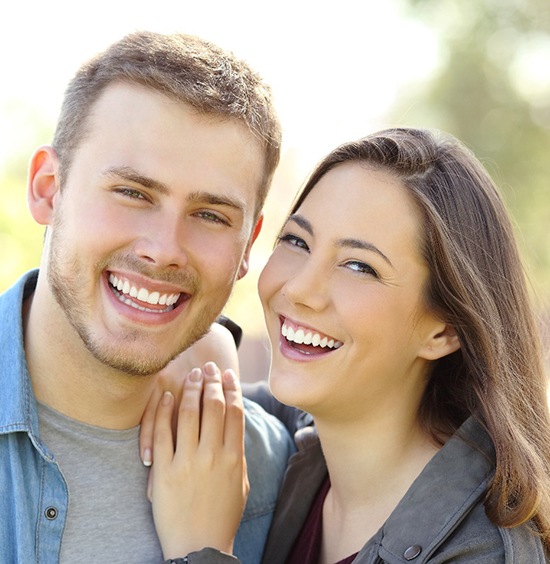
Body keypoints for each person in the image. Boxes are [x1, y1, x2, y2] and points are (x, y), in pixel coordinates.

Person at [146, 127, 550, 562]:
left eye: (359, 266)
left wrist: (201, 550)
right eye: (297, 241)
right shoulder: (301, 446)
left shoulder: (484, 552)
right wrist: (212, 344)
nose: (300, 289)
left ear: (444, 331)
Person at [0, 30, 295, 563]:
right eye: (133, 193)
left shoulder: (273, 474)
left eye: (210, 215)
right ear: (48, 188)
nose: (164, 251)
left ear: (248, 245)